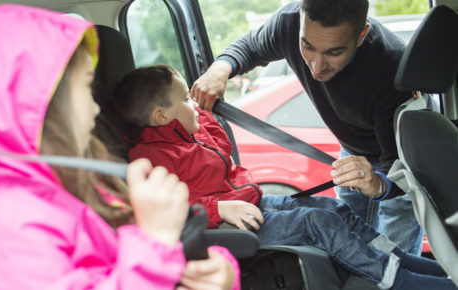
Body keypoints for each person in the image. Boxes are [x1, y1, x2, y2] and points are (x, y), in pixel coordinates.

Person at [107, 64, 456, 290]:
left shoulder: (190, 132)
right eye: (184, 98)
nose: (193, 103)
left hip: (253, 202)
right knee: (318, 223)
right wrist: (218, 209)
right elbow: (160, 208)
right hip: (229, 224)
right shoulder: (151, 158)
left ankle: (399, 258)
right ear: (160, 115)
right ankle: (394, 279)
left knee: (334, 209)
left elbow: (221, 147)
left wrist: (202, 114)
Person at [0, 5, 240, 290]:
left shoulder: (81, 183)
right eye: (87, 88)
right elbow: (146, 258)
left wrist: (216, 272)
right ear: (38, 105)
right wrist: (156, 244)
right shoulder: (1, 227)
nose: (95, 107)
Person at [190, 0, 424, 255]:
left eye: (334, 52)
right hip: (350, 155)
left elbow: (399, 168)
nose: (317, 65)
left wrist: (379, 186)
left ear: (361, 36)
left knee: (396, 262)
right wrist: (220, 69)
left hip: (398, 162)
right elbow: (250, 46)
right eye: (307, 46)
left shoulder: (390, 68)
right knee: (352, 249)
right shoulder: (289, 22)